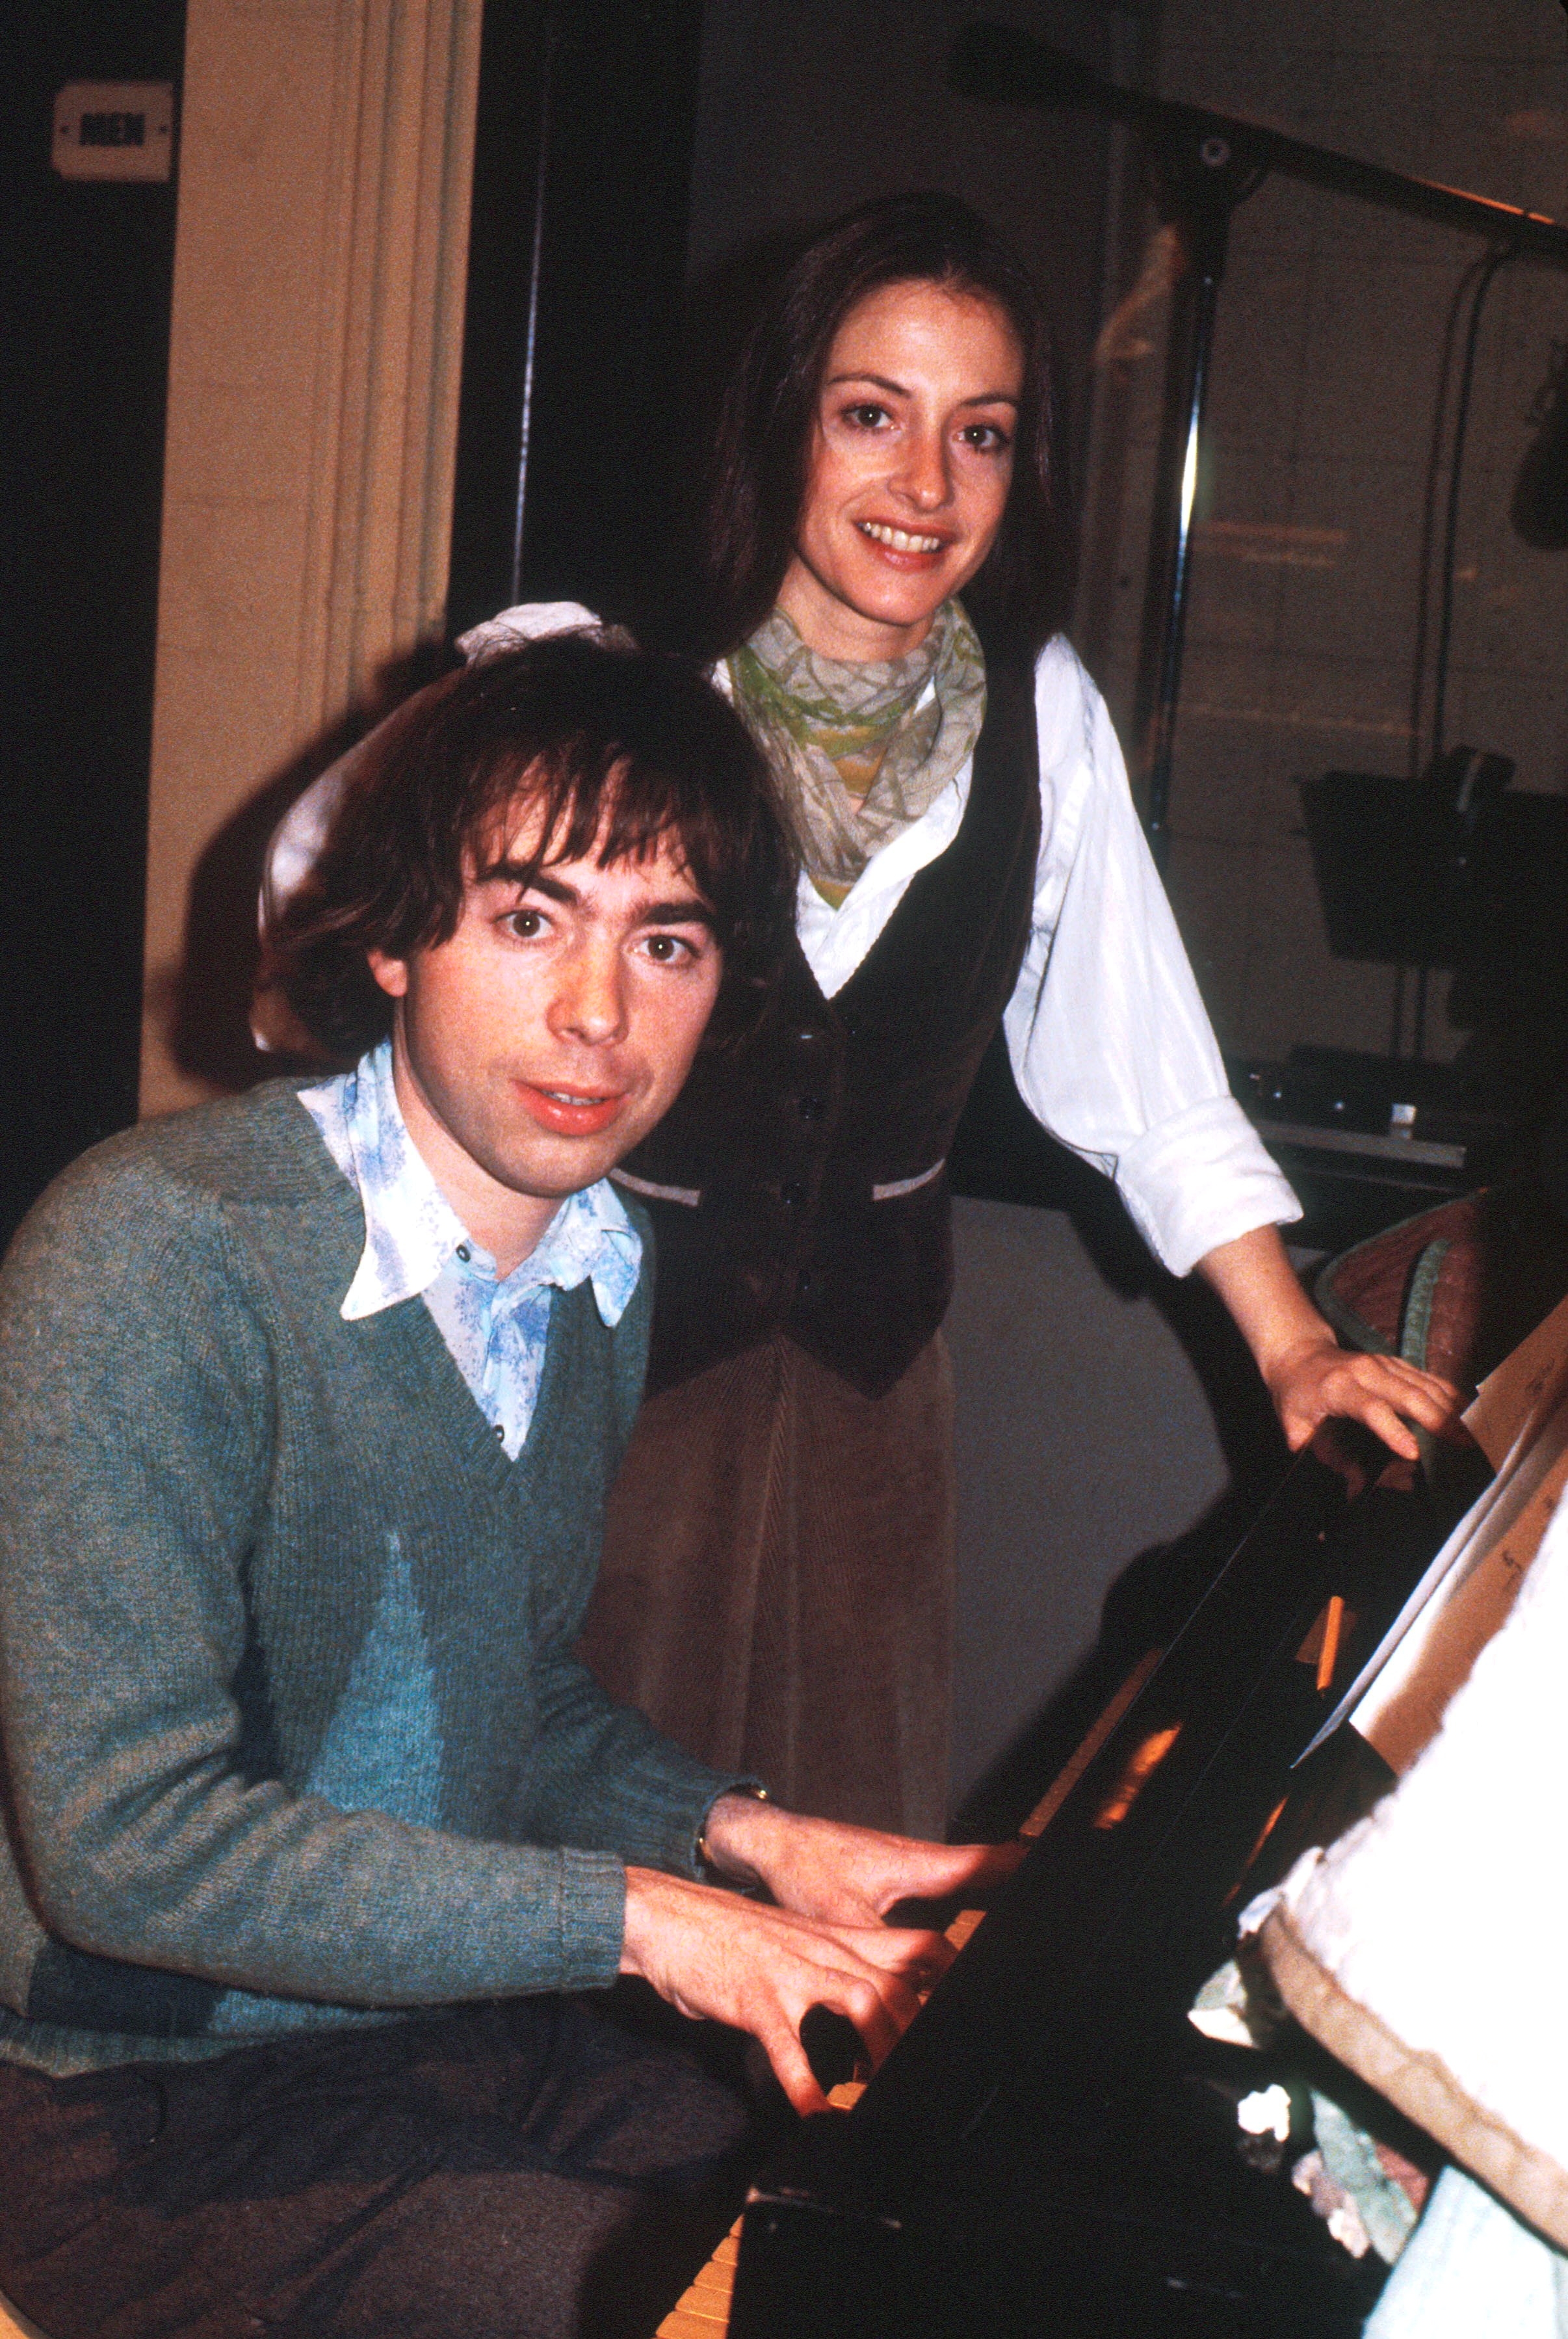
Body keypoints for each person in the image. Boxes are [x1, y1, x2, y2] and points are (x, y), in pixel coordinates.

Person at [263, 194, 1459, 1843]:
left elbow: (1149, 1074)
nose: (927, 485)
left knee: (840, 1846)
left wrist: (1297, 1345)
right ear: (783, 424)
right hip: (585, 1372)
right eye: (871, 416)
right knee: (565, 1835)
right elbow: (324, 891)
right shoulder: (604, 676)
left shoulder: (1041, 714)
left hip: (871, 1396)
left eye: (982, 433)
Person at [0, 634, 1013, 2339]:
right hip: (124, 2109)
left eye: (666, 941)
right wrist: (646, 1922)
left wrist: (747, 1838)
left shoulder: (594, 1271)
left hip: (431, 2035)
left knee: (899, 2232)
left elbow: (502, 1701)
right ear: (394, 935)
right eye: (531, 918)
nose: (599, 1012)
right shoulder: (154, 1252)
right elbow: (124, 1846)